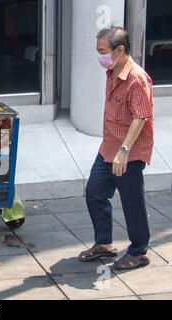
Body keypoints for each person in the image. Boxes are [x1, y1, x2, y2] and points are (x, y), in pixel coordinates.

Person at [79, 27, 154, 270]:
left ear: (120, 50)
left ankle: (139, 251)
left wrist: (123, 151)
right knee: (94, 192)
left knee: (132, 202)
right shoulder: (113, 71)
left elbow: (141, 117)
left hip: (127, 153)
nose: (100, 57)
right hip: (108, 147)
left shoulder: (137, 78)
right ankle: (104, 244)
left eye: (103, 51)